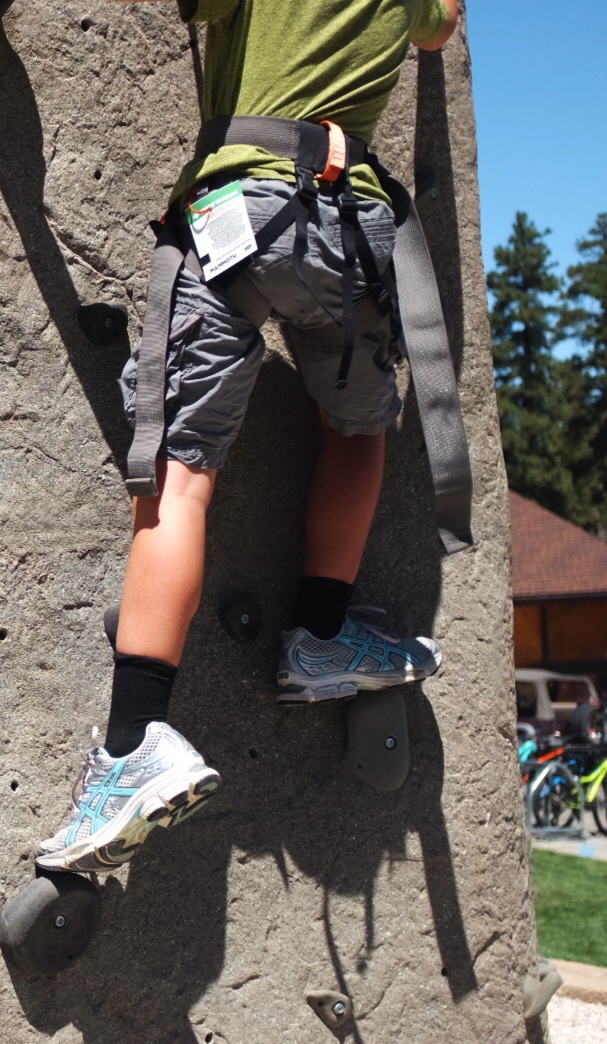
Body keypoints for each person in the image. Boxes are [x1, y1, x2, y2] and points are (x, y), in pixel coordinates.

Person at [37, 0, 461, 873]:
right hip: (353, 230)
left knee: (180, 477)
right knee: (357, 429)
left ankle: (132, 747)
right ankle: (319, 637)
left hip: (244, 205)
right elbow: (436, 29)